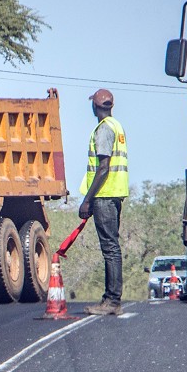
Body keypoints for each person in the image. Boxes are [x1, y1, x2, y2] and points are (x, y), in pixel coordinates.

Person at [79, 89, 130, 316]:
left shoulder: (104, 130)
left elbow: (102, 168)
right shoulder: (117, 126)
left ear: (95, 106)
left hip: (105, 197)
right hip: (114, 195)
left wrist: (87, 200)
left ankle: (111, 301)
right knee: (112, 248)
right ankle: (111, 299)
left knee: (110, 249)